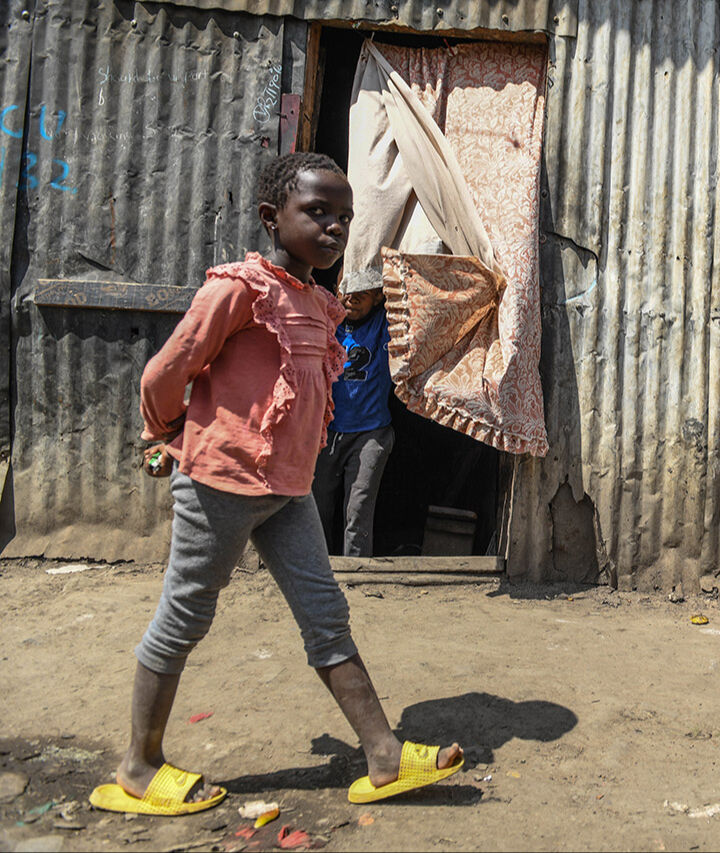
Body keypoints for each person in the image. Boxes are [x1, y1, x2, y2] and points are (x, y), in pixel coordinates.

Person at [89, 152, 463, 816]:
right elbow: (164, 374)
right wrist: (165, 432)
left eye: (344, 217)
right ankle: (139, 764)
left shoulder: (323, 304)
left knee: (326, 616)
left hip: (287, 491)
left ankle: (382, 755)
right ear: (272, 218)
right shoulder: (238, 289)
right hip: (221, 484)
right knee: (184, 617)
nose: (334, 228)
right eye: (316, 212)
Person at [312, 275, 394, 557]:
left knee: (357, 511)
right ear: (337, 289)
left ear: (380, 296)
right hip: (326, 433)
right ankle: (318, 572)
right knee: (317, 508)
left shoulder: (384, 325)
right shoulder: (325, 322)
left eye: (364, 290)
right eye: (348, 287)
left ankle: (356, 575)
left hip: (370, 433)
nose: (353, 296)